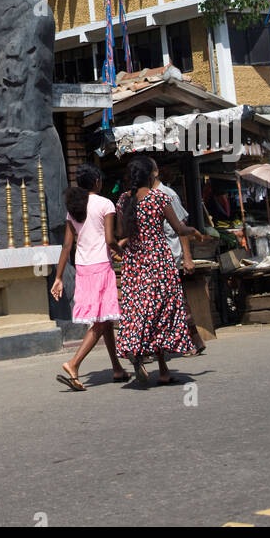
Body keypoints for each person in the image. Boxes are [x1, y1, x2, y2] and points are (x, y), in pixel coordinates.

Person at [116, 156, 209, 387]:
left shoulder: (123, 201)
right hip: (158, 262)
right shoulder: (159, 198)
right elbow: (179, 228)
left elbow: (122, 233)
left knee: (137, 310)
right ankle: (162, 368)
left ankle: (139, 354)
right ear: (150, 175)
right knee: (162, 312)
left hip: (134, 263)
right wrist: (195, 230)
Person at [51, 165, 130, 390]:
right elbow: (109, 238)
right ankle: (74, 363)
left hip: (83, 268)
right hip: (101, 266)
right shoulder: (106, 204)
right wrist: (124, 253)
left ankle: (116, 367)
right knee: (101, 320)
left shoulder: (75, 207)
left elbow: (67, 245)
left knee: (104, 318)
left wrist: (58, 277)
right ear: (96, 181)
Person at [155, 174, 206, 355]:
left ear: (154, 173)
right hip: (156, 260)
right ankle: (190, 342)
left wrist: (187, 257)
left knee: (178, 302)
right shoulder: (143, 196)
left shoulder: (167, 195)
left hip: (172, 256)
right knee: (167, 302)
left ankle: (193, 341)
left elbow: (180, 227)